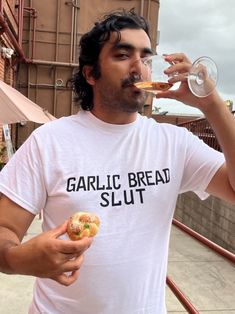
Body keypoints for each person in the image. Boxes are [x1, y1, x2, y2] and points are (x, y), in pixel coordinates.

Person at [0, 9, 234, 314]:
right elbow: (4, 229)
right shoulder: (49, 142)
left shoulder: (173, 143)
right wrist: (21, 260)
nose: (140, 68)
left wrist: (211, 103)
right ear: (91, 73)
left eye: (146, 58)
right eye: (123, 55)